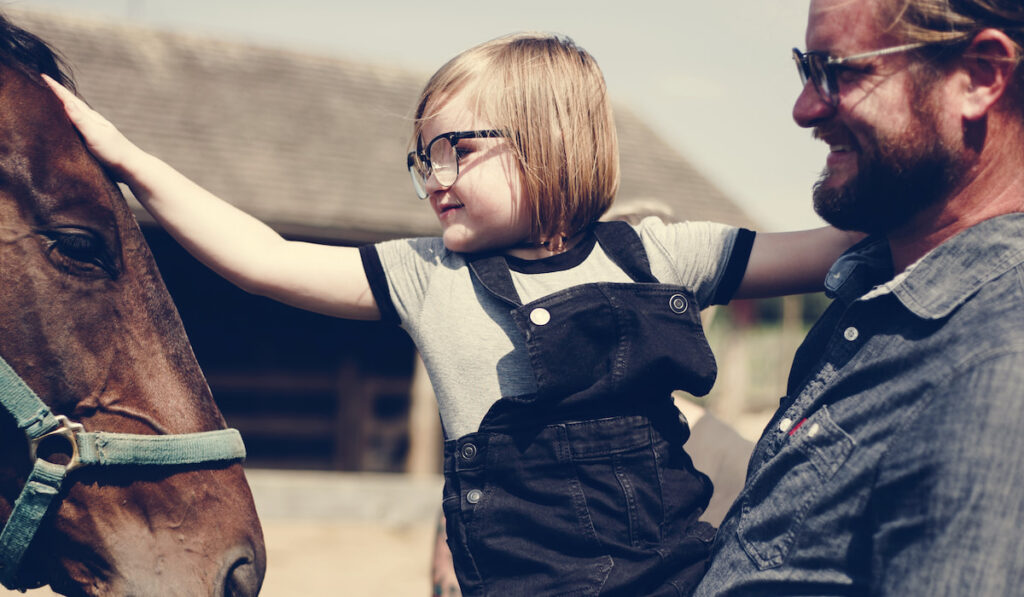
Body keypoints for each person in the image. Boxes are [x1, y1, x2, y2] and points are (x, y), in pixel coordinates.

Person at [47, 33, 856, 596]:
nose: (433, 177)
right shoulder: (429, 276)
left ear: (547, 141)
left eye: (455, 150)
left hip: (680, 582)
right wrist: (124, 157)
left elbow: (835, 248)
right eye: (422, 158)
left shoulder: (658, 256)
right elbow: (264, 257)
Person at [696, 1, 1024, 595]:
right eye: (806, 68)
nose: (805, 109)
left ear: (980, 75)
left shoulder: (998, 368)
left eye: (839, 70)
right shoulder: (875, 296)